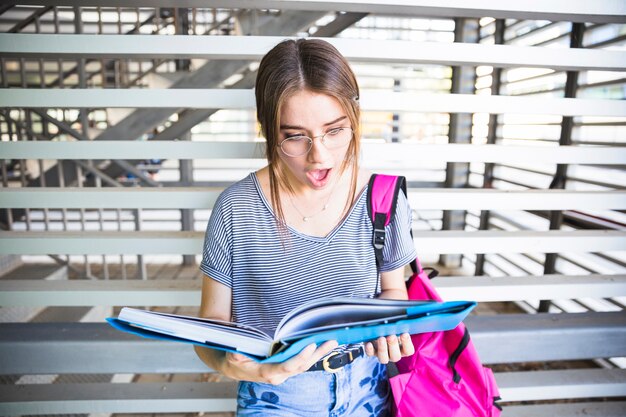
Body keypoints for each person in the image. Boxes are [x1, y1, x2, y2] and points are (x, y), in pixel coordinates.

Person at [194, 38, 417, 416]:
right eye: (295, 136)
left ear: (354, 119)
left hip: (369, 390)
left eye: (335, 130)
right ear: (268, 130)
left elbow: (393, 289)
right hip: (275, 398)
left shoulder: (383, 198)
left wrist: (392, 324)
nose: (320, 157)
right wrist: (227, 363)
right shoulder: (235, 208)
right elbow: (211, 326)